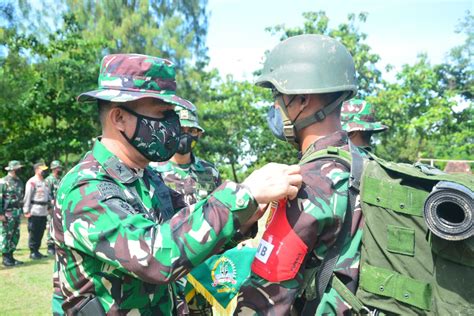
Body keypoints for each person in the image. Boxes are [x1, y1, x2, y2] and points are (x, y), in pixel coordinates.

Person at [51, 53, 302, 315]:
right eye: (163, 113)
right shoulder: (86, 188)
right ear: (118, 118)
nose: (175, 126)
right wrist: (242, 195)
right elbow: (154, 256)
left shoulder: (146, 179)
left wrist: (247, 216)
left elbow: (188, 232)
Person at [235, 34, 364, 315]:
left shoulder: (305, 184)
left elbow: (263, 302)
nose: (275, 107)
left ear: (301, 100)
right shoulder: (368, 166)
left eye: (278, 96)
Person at [150, 106, 222, 315]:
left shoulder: (209, 171)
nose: (186, 136)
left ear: (198, 134)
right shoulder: (154, 172)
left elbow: (218, 211)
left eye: (192, 131)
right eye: (182, 129)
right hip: (170, 262)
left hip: (204, 265)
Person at [23, 161, 51, 259]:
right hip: (35, 210)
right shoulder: (32, 182)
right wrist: (26, 210)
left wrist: (49, 207)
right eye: (42, 170)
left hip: (43, 211)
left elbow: (47, 196)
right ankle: (33, 251)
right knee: (34, 231)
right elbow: (27, 197)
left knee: (40, 231)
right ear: (36, 170)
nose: (44, 172)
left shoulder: (45, 182)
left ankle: (37, 251)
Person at [0, 160, 25, 266]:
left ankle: (11, 256)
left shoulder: (19, 181)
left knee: (15, 234)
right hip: (7, 213)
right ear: (13, 169)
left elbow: (21, 197)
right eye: (18, 168)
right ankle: (6, 258)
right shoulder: (3, 182)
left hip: (17, 212)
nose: (20, 169)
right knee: (6, 234)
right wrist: (1, 214)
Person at [45, 160, 62, 255]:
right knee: (50, 225)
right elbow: (47, 194)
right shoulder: (49, 180)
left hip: (59, 207)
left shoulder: (60, 179)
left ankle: (57, 243)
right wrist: (49, 205)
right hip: (51, 208)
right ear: (54, 169)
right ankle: (50, 245)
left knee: (58, 226)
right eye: (58, 168)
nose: (60, 169)